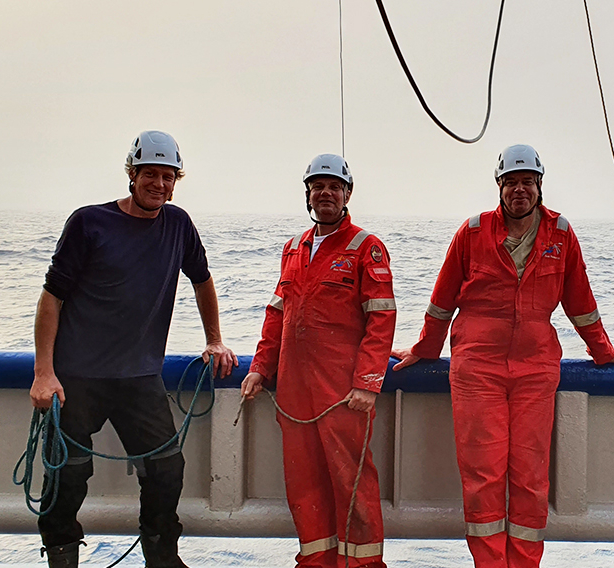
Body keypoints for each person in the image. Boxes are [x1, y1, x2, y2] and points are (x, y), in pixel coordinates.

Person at [392, 144, 614, 568]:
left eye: (527, 182)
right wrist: (425, 349)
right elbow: (442, 301)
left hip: (536, 370)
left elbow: (580, 302)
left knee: (530, 477)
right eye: (511, 182)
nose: (519, 190)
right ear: (499, 186)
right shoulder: (471, 232)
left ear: (540, 186)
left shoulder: (561, 234)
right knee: (483, 476)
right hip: (476, 369)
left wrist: (602, 351)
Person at [30, 130, 238, 568]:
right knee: (65, 476)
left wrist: (214, 339)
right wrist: (43, 372)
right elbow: (52, 297)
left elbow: (202, 280)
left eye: (168, 176)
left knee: (166, 470)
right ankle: (61, 558)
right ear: (131, 174)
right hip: (77, 377)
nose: (159, 184)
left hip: (139, 377)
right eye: (149, 174)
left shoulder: (179, 224)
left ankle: (161, 556)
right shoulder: (89, 222)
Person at [241, 154, 395, 568]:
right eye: (317, 186)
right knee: (304, 485)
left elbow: (382, 319)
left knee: (353, 483)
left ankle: (363, 566)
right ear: (308, 195)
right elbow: (277, 315)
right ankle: (315, 562)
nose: (325, 193)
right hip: (294, 394)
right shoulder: (293, 248)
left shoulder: (367, 247)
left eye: (334, 186)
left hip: (342, 393)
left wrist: (367, 382)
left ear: (347, 194)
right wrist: (259, 368)